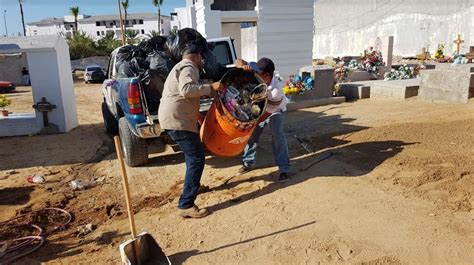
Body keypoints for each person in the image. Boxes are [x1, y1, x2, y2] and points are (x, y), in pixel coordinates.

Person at [158, 43, 223, 218]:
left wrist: (197, 116)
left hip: (174, 118)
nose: (202, 61)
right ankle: (186, 204)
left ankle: (193, 185)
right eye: (201, 57)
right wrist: (212, 88)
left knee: (191, 156)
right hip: (177, 120)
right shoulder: (189, 66)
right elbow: (186, 90)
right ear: (195, 56)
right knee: (197, 158)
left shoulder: (179, 67)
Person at [235, 57, 290, 183]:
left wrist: (251, 123)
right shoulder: (256, 74)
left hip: (275, 111)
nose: (255, 74)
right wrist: (242, 67)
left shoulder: (275, 92)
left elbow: (266, 114)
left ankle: (284, 169)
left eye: (258, 73)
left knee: (277, 136)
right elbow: (238, 60)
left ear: (266, 76)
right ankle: (248, 163)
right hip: (260, 107)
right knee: (252, 135)